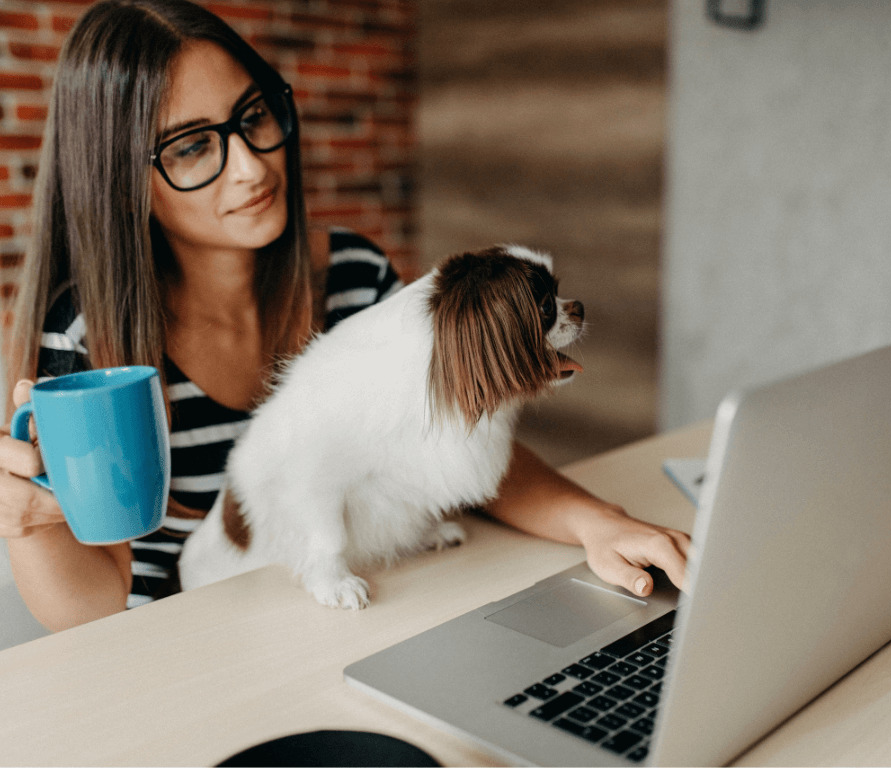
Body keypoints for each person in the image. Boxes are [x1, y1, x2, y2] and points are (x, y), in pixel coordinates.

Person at [0, 0, 689, 633]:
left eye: (254, 117)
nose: (250, 165)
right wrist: (26, 523)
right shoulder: (86, 341)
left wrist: (599, 523)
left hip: (355, 620)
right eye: (191, 147)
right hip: (188, 647)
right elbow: (90, 613)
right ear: (121, 181)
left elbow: (462, 438)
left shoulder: (356, 277)